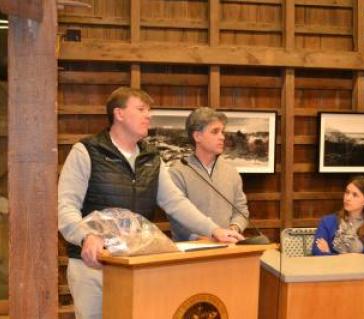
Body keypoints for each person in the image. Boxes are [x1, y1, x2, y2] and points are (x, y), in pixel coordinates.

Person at [58, 87, 241, 319]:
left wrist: (213, 229)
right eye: (141, 109)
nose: (149, 116)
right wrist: (86, 236)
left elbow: (176, 202)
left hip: (137, 267)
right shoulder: (85, 151)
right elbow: (65, 206)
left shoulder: (152, 157)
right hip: (93, 268)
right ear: (119, 114)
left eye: (149, 110)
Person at [167, 107, 250, 241]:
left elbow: (241, 210)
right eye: (215, 132)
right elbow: (177, 218)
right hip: (192, 253)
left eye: (222, 132)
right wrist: (208, 237)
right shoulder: (177, 172)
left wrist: (233, 229)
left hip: (227, 249)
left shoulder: (231, 171)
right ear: (197, 136)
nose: (222, 137)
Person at [312, 175, 364, 255]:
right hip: (330, 268)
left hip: (361, 268)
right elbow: (317, 252)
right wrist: (353, 257)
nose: (348, 198)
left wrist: (329, 253)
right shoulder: (327, 221)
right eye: (347, 192)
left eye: (355, 195)